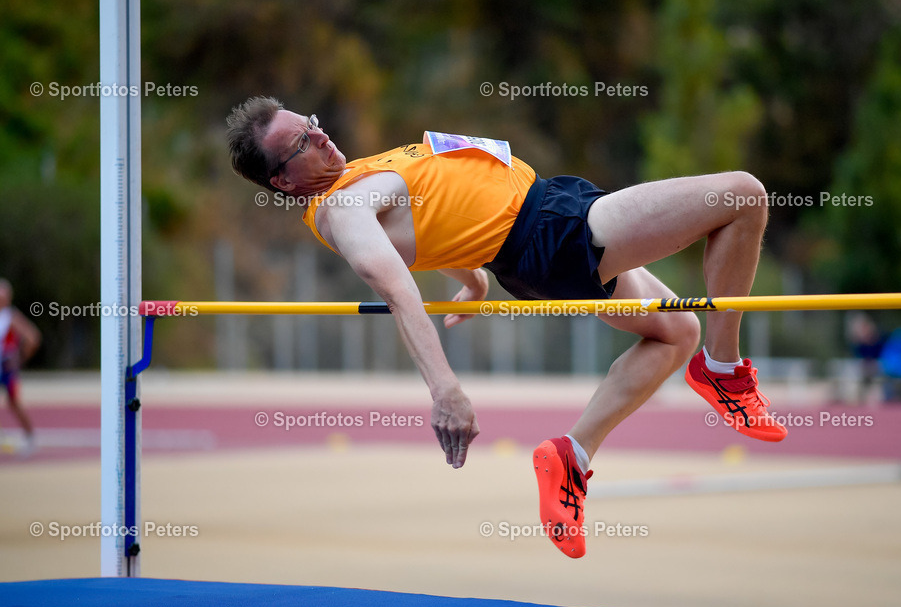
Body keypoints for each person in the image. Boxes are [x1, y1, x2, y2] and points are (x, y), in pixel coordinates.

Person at [227, 97, 786, 558]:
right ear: (281, 180)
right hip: (552, 236)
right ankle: (723, 370)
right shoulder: (342, 209)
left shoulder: (356, 177)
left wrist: (471, 281)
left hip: (548, 218)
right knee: (742, 195)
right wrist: (445, 389)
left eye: (313, 125)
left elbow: (434, 214)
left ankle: (573, 455)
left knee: (678, 331)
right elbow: (400, 292)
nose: (321, 138)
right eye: (303, 143)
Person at [0, 279, 42, 455]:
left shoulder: (11, 316)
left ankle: (30, 437)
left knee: (14, 402)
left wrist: (20, 358)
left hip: (6, 368)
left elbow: (33, 337)